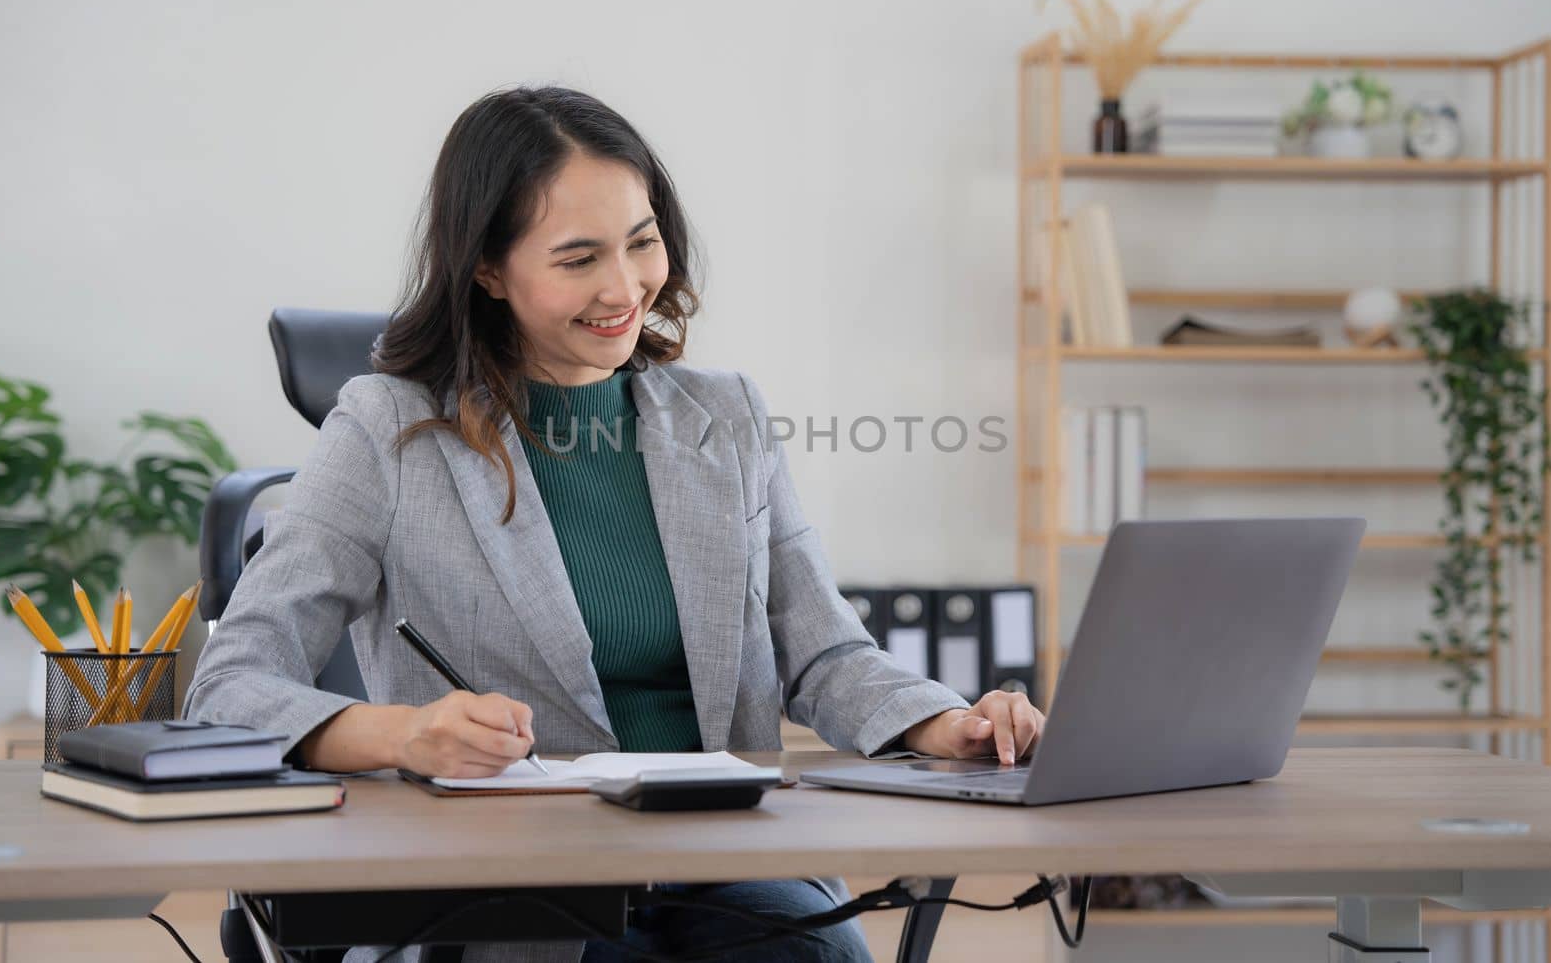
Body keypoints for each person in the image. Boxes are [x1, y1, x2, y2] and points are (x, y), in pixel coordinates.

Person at [185, 85, 1046, 963]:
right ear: (488, 269)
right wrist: (403, 734)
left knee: (809, 954)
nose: (624, 287)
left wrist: (944, 725)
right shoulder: (387, 430)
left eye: (641, 243)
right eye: (577, 257)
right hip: (510, 874)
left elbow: (825, 652)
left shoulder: (726, 416)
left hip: (719, 854)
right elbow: (229, 687)